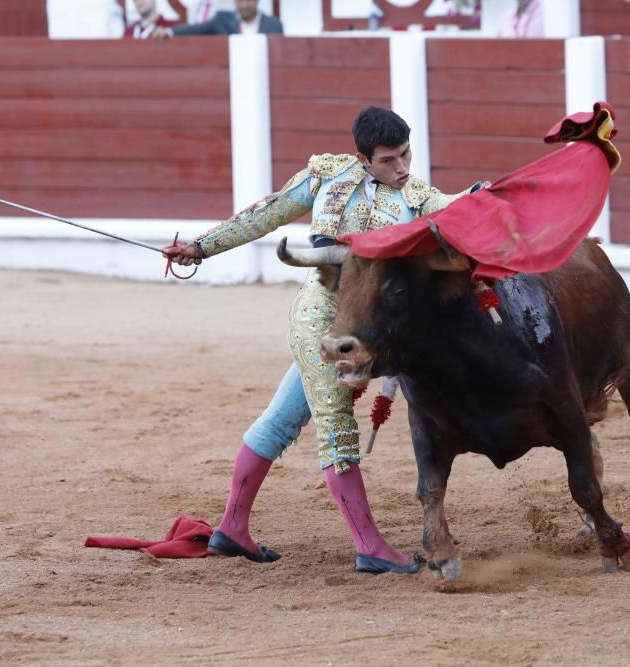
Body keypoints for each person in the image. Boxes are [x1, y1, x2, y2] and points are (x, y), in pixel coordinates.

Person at [163, 108, 478, 574]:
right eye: (389, 160)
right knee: (336, 428)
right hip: (323, 323)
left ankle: (232, 529)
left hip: (369, 329)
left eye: (406, 154)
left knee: (279, 422)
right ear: (363, 158)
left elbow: (456, 209)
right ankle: (370, 547)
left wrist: (485, 195)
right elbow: (266, 213)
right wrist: (202, 247)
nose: (403, 168)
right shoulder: (327, 175)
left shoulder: (416, 195)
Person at [153, 0, 283, 37]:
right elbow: (197, 28)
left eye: (248, 1)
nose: (244, 5)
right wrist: (170, 31)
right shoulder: (222, 20)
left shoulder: (274, 25)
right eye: (239, 1)